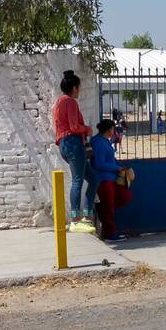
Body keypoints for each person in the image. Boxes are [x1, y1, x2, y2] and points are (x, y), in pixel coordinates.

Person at [52, 70, 97, 234]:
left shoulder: (59, 102)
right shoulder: (70, 102)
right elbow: (74, 127)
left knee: (93, 178)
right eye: (78, 88)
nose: (79, 91)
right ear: (74, 87)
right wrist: (88, 129)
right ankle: (75, 219)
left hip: (65, 144)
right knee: (78, 180)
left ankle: (86, 215)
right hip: (73, 143)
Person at [91, 119, 133, 242]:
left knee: (125, 197)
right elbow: (99, 164)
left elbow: (110, 160)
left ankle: (103, 215)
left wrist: (120, 167)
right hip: (104, 179)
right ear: (109, 130)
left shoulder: (105, 141)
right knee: (108, 206)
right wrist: (117, 168)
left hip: (111, 178)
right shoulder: (99, 143)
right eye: (113, 129)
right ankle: (109, 234)